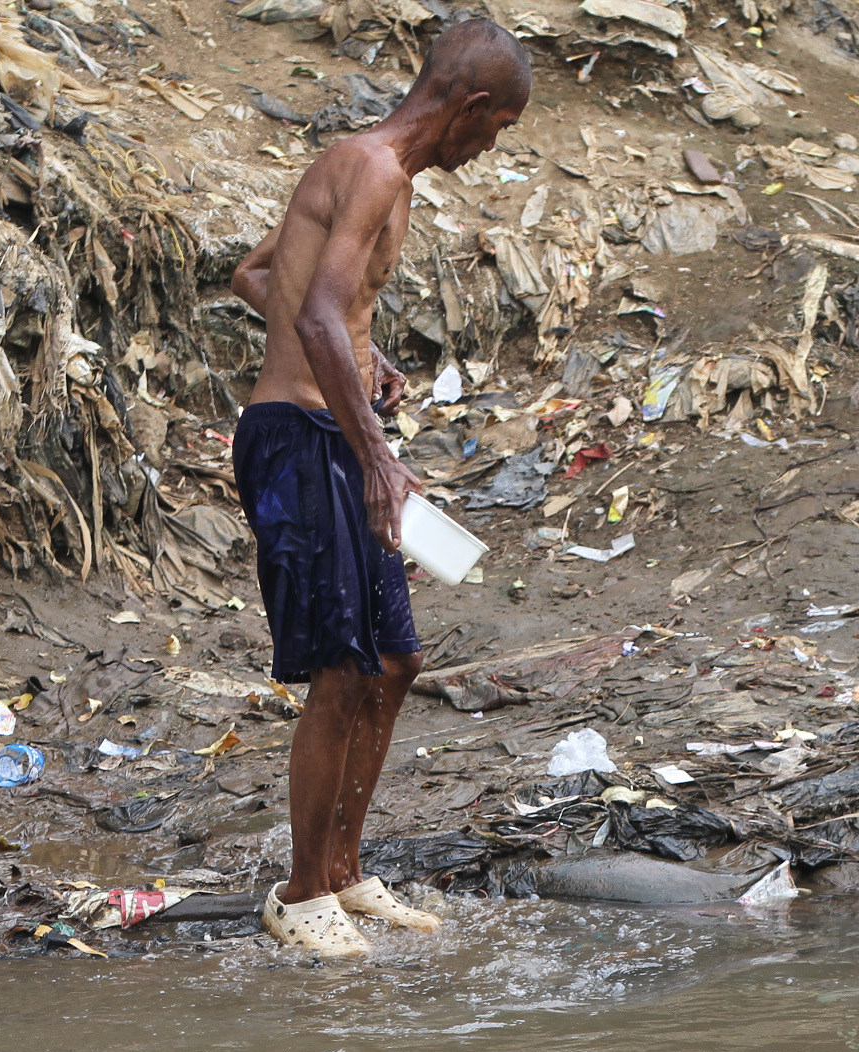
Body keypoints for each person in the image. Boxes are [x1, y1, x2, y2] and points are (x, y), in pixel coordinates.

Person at [228, 20, 532, 959]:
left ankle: (348, 874)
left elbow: (262, 279)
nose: (489, 151)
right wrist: (376, 451)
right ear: (470, 108)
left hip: (332, 429)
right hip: (300, 442)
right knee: (343, 668)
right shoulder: (376, 171)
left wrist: (367, 358)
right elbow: (312, 308)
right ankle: (300, 892)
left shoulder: (362, 168)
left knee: (393, 663)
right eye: (497, 131)